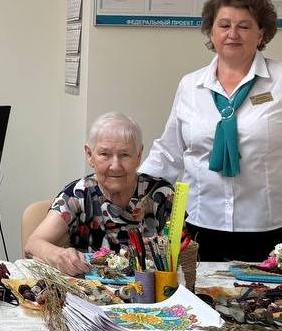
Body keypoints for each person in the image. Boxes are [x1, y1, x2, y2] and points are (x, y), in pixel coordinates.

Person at [140, 0, 282, 262]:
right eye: (224, 25)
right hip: (202, 219)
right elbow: (170, 150)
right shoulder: (190, 85)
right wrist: (136, 189)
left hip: (275, 223)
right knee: (202, 289)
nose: (232, 34)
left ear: (261, 34)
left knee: (276, 291)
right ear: (211, 33)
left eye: (244, 26)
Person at [25, 113, 173, 276]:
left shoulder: (161, 194)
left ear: (138, 156)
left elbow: (185, 252)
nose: (115, 166)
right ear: (90, 155)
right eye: (105, 154)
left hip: (150, 289)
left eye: (125, 155)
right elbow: (32, 244)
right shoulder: (78, 195)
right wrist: (58, 254)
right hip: (89, 288)